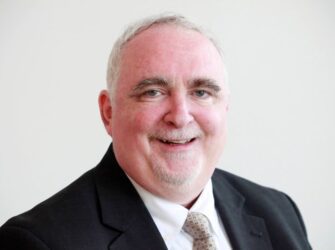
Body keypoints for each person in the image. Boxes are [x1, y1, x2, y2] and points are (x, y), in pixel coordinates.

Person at [0, 14, 311, 250]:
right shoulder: (38, 241)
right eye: (152, 92)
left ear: (225, 107)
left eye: (201, 92)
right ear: (109, 113)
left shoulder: (279, 212)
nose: (179, 116)